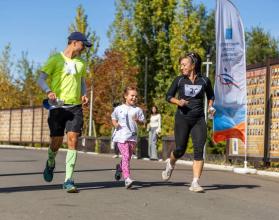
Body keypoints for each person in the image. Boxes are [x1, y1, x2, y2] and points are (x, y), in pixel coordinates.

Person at [37, 31, 92, 193]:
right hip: (57, 107)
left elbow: (82, 82)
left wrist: (84, 94)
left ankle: (68, 179)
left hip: (75, 107)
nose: (84, 49)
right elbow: (40, 78)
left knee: (73, 139)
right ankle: (51, 161)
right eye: (83, 45)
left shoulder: (82, 63)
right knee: (56, 141)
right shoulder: (55, 59)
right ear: (74, 43)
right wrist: (48, 91)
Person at [161, 52, 215, 193]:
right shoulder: (179, 80)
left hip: (198, 119)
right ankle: (171, 162)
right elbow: (168, 96)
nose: (181, 67)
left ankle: (195, 182)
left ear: (193, 65)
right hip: (182, 118)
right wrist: (179, 102)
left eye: (184, 65)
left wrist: (210, 108)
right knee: (180, 149)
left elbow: (211, 96)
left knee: (199, 149)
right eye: (181, 65)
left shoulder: (204, 81)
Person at [111, 86, 145, 189]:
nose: (134, 98)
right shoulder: (118, 108)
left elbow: (143, 122)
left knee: (128, 157)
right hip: (121, 136)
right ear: (126, 96)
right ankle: (127, 178)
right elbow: (113, 117)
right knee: (125, 156)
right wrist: (115, 124)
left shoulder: (138, 110)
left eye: (136, 96)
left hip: (132, 137)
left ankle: (119, 168)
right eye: (132, 95)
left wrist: (138, 121)